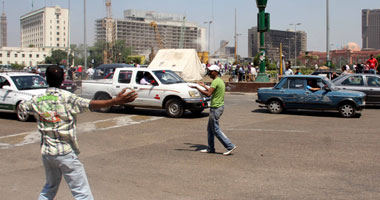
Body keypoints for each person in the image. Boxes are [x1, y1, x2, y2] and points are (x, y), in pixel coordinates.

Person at [20, 65, 138, 200]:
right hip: (65, 152)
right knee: (81, 192)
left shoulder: (37, 99)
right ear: (63, 79)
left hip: (47, 153)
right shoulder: (68, 98)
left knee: (50, 187)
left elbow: (23, 106)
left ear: (46, 79)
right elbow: (91, 104)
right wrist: (115, 101)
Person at [191, 65, 237, 156]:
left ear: (216, 72)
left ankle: (230, 146)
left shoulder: (215, 82)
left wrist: (197, 88)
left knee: (215, 129)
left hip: (216, 108)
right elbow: (212, 91)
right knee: (210, 129)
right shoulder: (219, 81)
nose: (210, 73)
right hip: (217, 107)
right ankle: (210, 148)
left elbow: (208, 94)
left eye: (211, 71)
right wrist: (204, 86)